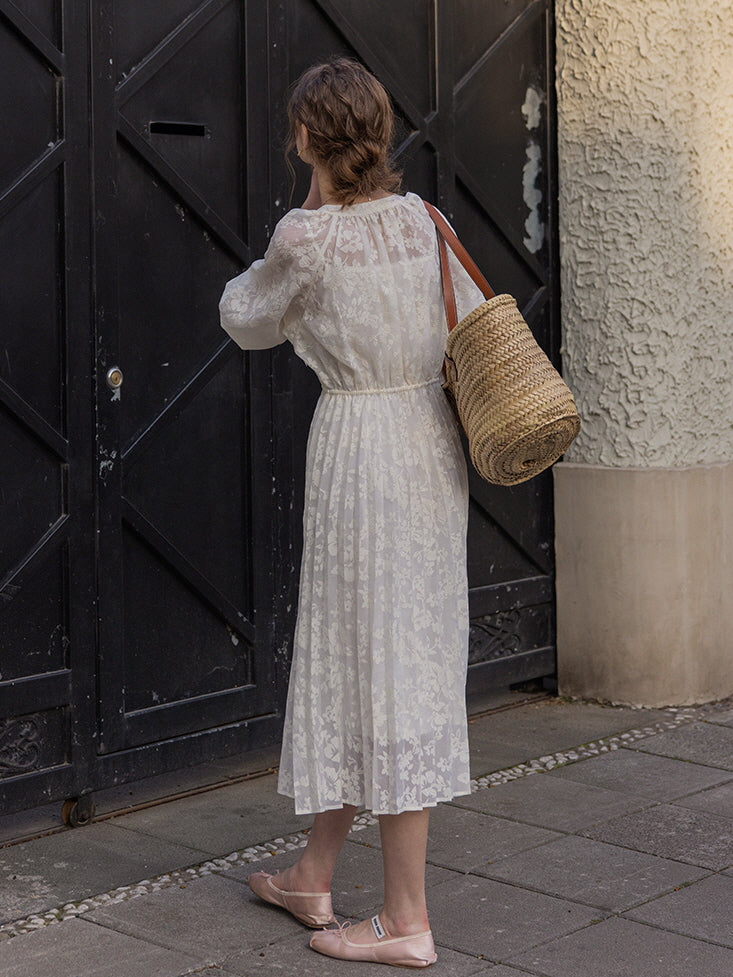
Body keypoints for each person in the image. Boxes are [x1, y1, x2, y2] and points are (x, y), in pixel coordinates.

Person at [219, 58, 483, 969]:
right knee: (376, 654)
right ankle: (311, 871)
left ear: (306, 136)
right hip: (427, 447)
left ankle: (406, 917)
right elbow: (473, 320)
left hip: (360, 453)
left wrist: (290, 249)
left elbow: (244, 316)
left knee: (378, 661)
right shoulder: (425, 221)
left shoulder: (309, 237)